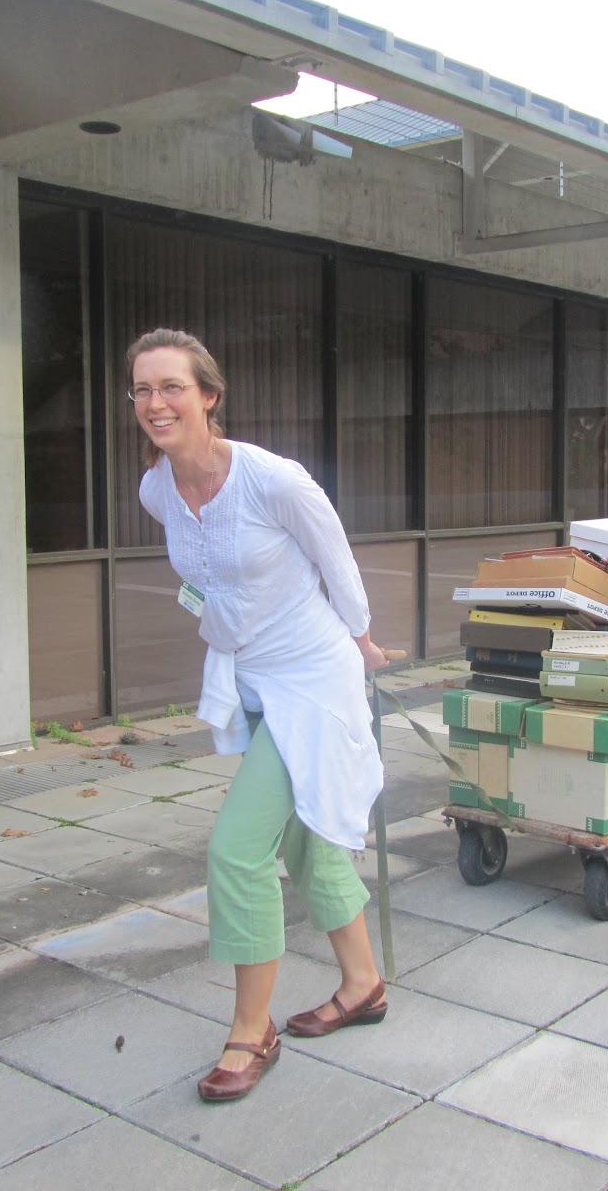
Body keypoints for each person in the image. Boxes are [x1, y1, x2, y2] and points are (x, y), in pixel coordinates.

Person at [130, 327, 390, 1104]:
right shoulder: (156, 489)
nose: (155, 403)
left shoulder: (276, 482)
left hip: (313, 679)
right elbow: (209, 577)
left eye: (172, 386)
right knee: (309, 846)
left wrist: (362, 639)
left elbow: (336, 561)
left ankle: (253, 1032)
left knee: (238, 850)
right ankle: (363, 984)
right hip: (252, 676)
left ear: (209, 395)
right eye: (142, 390)